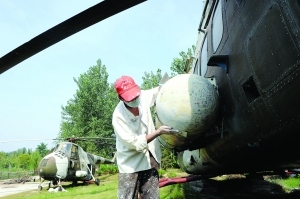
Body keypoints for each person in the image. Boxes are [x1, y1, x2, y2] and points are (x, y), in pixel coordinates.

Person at [112, 75, 175, 199]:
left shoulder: (142, 97)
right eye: (131, 98)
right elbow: (135, 143)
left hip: (150, 157)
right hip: (130, 164)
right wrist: (158, 132)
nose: (135, 99)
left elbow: (157, 91)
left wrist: (170, 84)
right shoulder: (118, 117)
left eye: (136, 95)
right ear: (120, 97)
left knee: (152, 196)